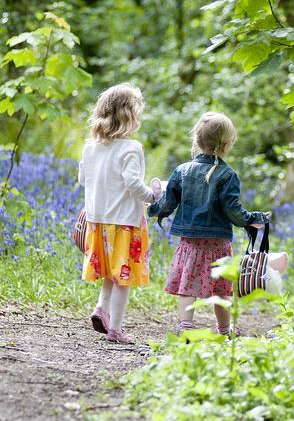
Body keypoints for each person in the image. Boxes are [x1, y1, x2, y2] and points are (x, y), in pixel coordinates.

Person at [149, 111, 270, 337]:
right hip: (217, 244)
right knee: (222, 289)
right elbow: (232, 210)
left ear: (196, 139)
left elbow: (168, 202)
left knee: (187, 285)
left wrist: (153, 209)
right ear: (226, 145)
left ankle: (185, 326)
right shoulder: (228, 175)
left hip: (190, 242)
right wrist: (251, 219)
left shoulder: (182, 171)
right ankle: (224, 329)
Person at [78, 84, 158, 344]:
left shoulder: (90, 146)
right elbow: (133, 184)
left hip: (97, 221)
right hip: (124, 223)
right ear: (129, 115)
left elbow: (82, 178)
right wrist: (153, 196)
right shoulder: (131, 148)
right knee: (123, 278)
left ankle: (102, 310)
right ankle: (116, 329)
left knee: (110, 273)